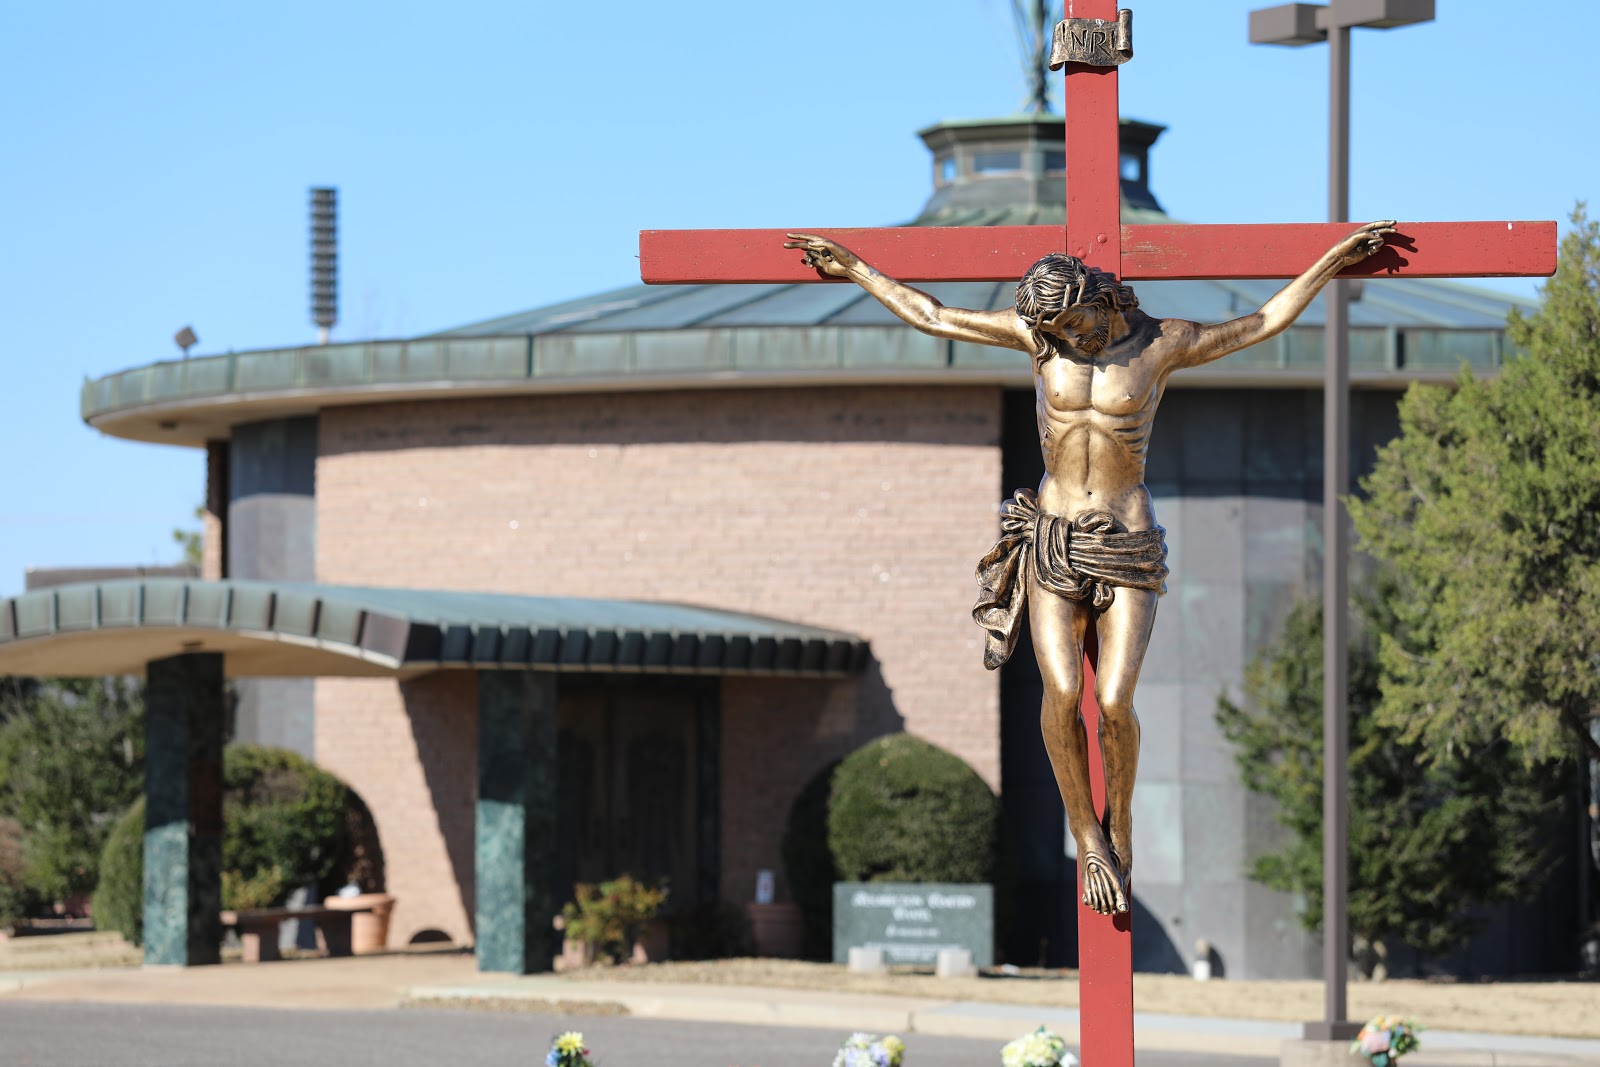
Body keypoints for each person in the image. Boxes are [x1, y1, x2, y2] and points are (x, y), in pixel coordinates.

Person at [783, 222, 1396, 915]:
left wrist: (1331, 264)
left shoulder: (1162, 344)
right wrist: (857, 270)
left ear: (1100, 299)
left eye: (1078, 324)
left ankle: (1121, 823)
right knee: (1063, 690)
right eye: (1059, 331)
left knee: (1112, 701)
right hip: (1052, 539)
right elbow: (933, 315)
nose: (1073, 339)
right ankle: (1087, 832)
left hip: (1127, 539)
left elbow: (1261, 321)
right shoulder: (1038, 339)